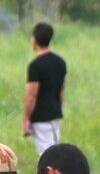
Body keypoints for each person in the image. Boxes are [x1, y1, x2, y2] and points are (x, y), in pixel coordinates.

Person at [23, 22, 67, 155]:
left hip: (41, 118)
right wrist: (58, 107)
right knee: (56, 152)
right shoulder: (60, 62)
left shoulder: (35, 66)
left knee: (47, 156)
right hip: (55, 114)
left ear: (35, 40)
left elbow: (32, 95)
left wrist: (26, 118)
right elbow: (62, 90)